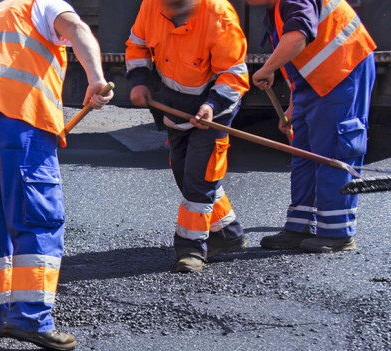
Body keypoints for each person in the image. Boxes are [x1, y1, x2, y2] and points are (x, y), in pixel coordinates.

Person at [0, 0, 113, 351]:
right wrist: (97, 78)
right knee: (37, 216)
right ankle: (31, 317)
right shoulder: (44, 5)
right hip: (17, 117)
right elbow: (78, 29)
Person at [126, 0, 250, 273]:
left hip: (214, 110)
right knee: (185, 173)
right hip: (173, 106)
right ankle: (229, 232)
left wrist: (211, 106)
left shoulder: (219, 16)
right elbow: (137, 45)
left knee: (199, 178)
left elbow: (233, 75)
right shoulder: (151, 5)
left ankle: (191, 248)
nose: (171, 12)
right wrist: (138, 81)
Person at [247, 0, 376, 253]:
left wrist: (268, 67)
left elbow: (298, 37)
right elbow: (301, 59)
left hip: (344, 68)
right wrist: (295, 107)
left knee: (335, 151)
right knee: (304, 152)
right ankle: (300, 226)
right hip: (314, 82)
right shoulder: (275, 9)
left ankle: (338, 233)